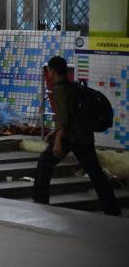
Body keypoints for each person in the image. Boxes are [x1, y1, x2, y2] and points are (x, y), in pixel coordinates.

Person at [33, 56, 120, 216]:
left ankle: (40, 200)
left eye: (49, 71)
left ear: (52, 71)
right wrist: (55, 131)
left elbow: (64, 119)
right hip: (84, 137)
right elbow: (72, 116)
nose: (49, 75)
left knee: (44, 162)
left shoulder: (59, 89)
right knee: (95, 173)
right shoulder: (73, 86)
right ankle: (112, 209)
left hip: (70, 137)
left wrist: (58, 141)